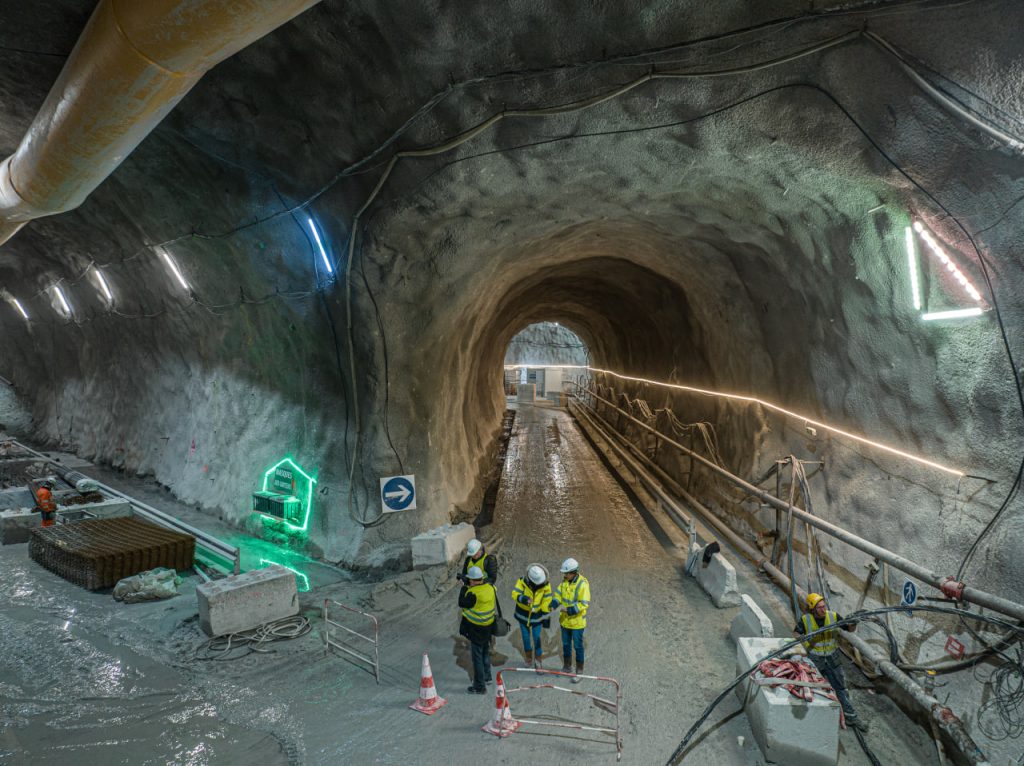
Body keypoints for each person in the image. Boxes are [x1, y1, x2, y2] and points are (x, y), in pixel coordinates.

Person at [794, 592, 868, 731]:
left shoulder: (833, 616)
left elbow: (850, 629)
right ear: (812, 609)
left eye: (824, 606)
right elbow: (796, 633)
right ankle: (814, 717)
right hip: (815, 660)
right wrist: (803, 638)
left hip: (832, 659)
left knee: (840, 688)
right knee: (812, 687)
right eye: (819, 608)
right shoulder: (805, 620)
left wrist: (853, 623)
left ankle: (851, 716)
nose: (823, 609)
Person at [549, 557, 590, 682]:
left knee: (578, 646)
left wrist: (568, 610)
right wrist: (553, 604)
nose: (565, 575)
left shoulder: (582, 584)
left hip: (577, 623)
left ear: (573, 572)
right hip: (565, 622)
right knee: (566, 645)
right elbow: (558, 595)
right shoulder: (564, 583)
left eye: (566, 573)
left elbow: (584, 603)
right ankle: (567, 667)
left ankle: (579, 672)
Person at [459, 565, 497, 694]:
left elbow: (462, 602)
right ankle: (487, 677)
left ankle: (480, 687)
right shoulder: (490, 588)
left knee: (477, 658)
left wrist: (464, 587)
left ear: (472, 580)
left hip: (476, 629)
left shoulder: (472, 593)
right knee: (485, 652)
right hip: (488, 627)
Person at [511, 564, 552, 669]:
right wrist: (524, 599)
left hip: (537, 617)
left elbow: (546, 602)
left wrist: (546, 617)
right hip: (523, 615)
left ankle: (538, 661)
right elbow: (515, 594)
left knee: (537, 638)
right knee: (525, 638)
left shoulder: (546, 586)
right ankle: (529, 659)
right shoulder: (521, 581)